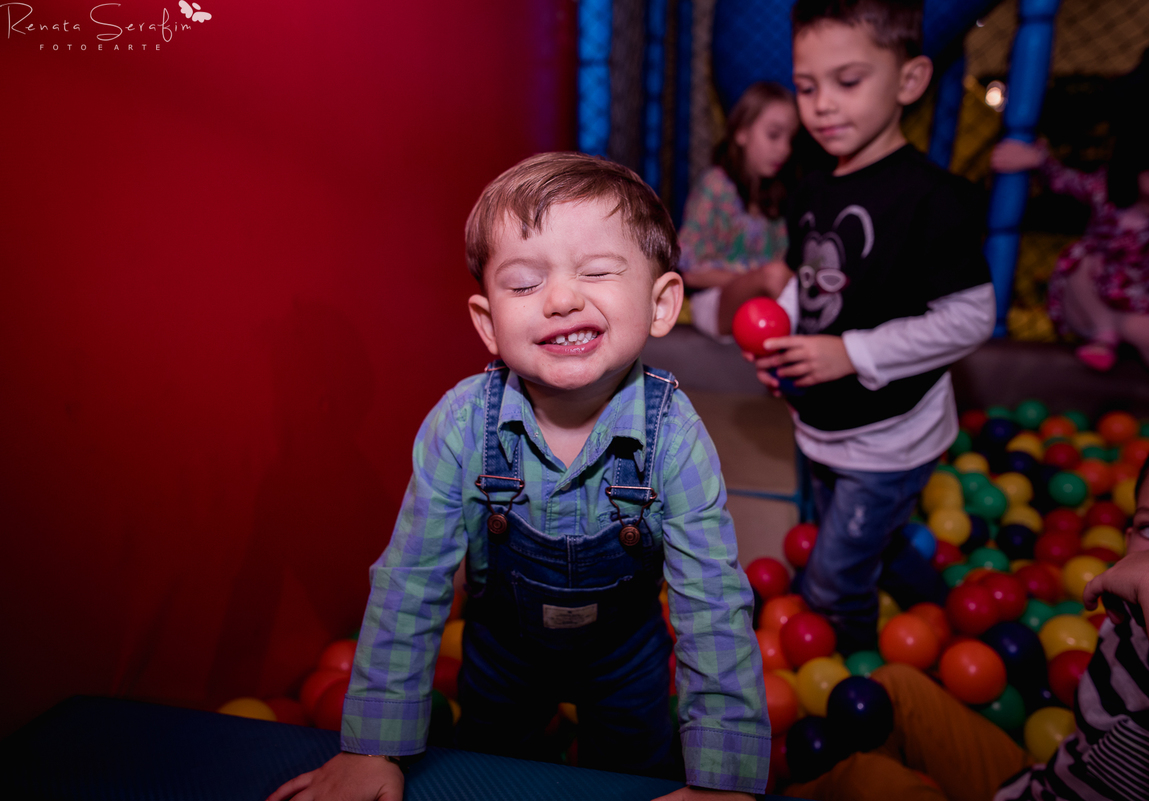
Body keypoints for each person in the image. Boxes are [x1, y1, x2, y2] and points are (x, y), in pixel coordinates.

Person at [267, 152, 770, 801]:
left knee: (635, 773)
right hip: (503, 653)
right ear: (487, 322)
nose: (561, 298)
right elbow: (411, 581)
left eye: (596, 271)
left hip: (627, 655)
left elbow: (712, 603)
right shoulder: (461, 426)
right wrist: (374, 743)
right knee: (490, 773)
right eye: (526, 283)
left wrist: (723, 777)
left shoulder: (674, 436)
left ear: (661, 302)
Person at [748, 0, 996, 652]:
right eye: (807, 86)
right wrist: (786, 349)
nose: (823, 104)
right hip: (822, 427)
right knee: (856, 544)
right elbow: (812, 293)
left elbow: (972, 317)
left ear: (909, 81)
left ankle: (856, 679)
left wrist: (850, 354)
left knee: (831, 582)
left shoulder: (931, 200)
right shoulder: (811, 191)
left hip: (891, 439)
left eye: (848, 81)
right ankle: (937, 599)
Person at [782, 426, 1149, 801]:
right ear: (1127, 540)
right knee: (893, 688)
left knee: (867, 781)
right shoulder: (1125, 619)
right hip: (1046, 785)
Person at [991, 135, 1149, 424]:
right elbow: (1065, 180)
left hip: (1138, 300)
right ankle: (1104, 334)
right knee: (1084, 257)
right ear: (1130, 173)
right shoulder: (1105, 192)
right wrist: (1037, 159)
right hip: (1089, 301)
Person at [678, 81, 801, 340]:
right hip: (716, 301)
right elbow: (690, 271)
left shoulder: (782, 194)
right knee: (775, 275)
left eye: (791, 139)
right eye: (773, 135)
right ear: (742, 132)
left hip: (768, 302)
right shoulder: (716, 185)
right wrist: (754, 278)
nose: (785, 149)